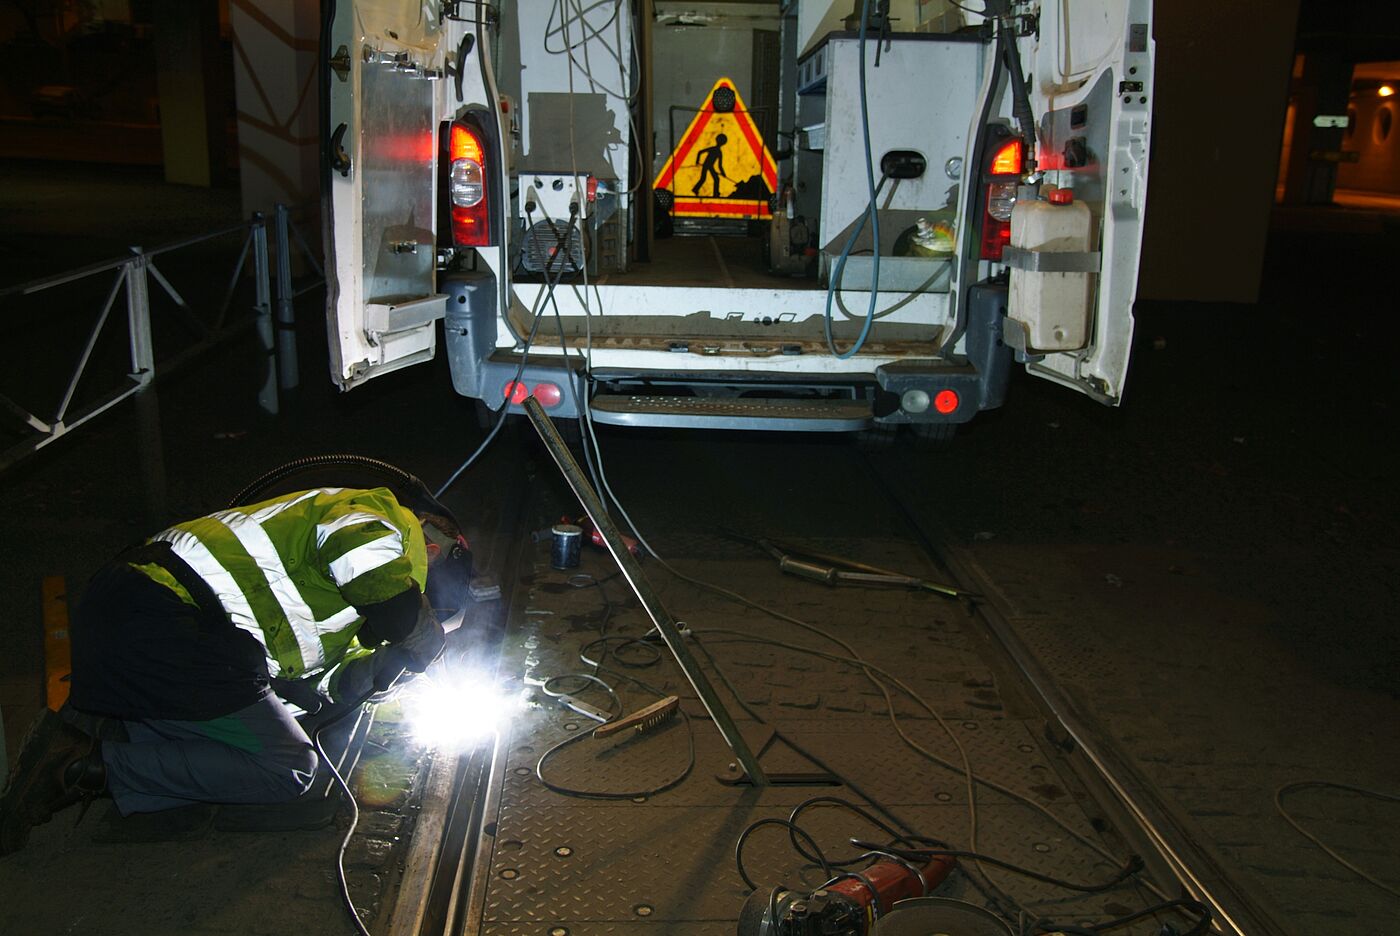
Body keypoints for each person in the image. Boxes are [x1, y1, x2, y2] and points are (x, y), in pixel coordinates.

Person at [0, 486, 464, 854]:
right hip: (167, 617)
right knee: (289, 768)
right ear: (431, 549)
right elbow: (363, 558)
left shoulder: (349, 612)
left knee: (242, 746)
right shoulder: (381, 519)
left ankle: (122, 737)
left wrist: (369, 673)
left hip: (138, 622)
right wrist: (412, 624)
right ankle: (79, 765)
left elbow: (304, 688)